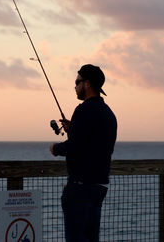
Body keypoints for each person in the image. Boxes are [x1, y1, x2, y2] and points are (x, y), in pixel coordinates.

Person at [50, 64, 117, 242]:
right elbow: (93, 143)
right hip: (99, 186)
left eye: (77, 82)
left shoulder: (83, 110)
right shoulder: (109, 114)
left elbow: (74, 147)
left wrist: (55, 149)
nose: (75, 86)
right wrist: (74, 128)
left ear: (87, 84)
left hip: (80, 188)